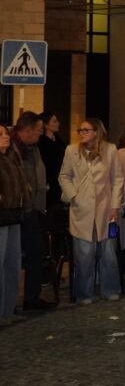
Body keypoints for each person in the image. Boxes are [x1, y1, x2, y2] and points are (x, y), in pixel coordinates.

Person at [58, 118, 124, 304]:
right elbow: (64, 176)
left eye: (86, 130)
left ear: (97, 131)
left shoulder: (110, 150)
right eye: (80, 130)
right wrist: (74, 195)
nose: (82, 133)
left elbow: (117, 179)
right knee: (83, 255)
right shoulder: (71, 150)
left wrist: (115, 205)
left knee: (108, 252)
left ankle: (110, 289)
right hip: (81, 209)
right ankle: (84, 294)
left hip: (106, 208)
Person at [11, 112, 53, 311]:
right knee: (14, 256)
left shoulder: (33, 148)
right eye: (38, 130)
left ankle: (32, 297)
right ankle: (10, 301)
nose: (40, 133)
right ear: (27, 130)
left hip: (33, 208)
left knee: (36, 252)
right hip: (18, 209)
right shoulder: (12, 149)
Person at [0, 125, 31, 325]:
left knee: (12, 264)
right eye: (0, 134)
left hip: (14, 215)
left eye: (5, 133)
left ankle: (8, 310)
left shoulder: (12, 156)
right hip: (2, 215)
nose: (5, 137)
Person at [37, 112, 67, 208]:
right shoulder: (41, 143)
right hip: (49, 182)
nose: (58, 123)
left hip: (60, 180)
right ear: (46, 125)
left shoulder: (59, 140)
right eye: (54, 121)